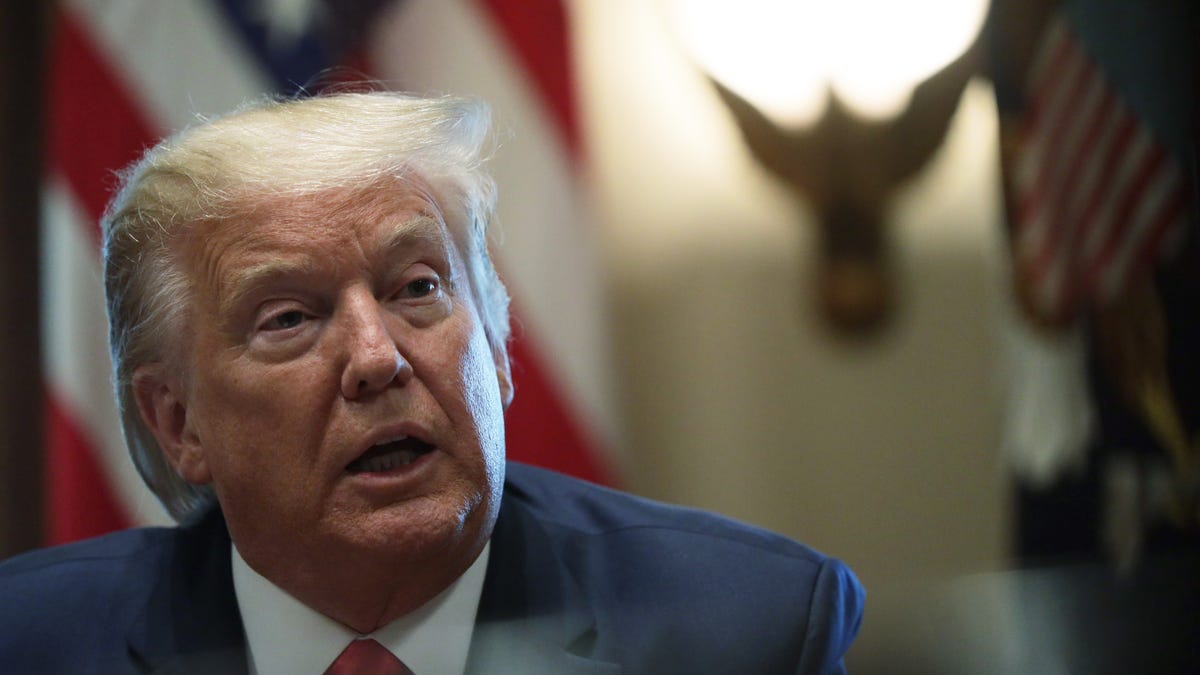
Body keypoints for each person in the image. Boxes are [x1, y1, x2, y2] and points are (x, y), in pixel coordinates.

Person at [0, 91, 864, 674]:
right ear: (178, 421)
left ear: (493, 342)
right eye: (289, 319)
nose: (378, 357)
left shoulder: (749, 628)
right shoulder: (30, 644)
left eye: (417, 288)